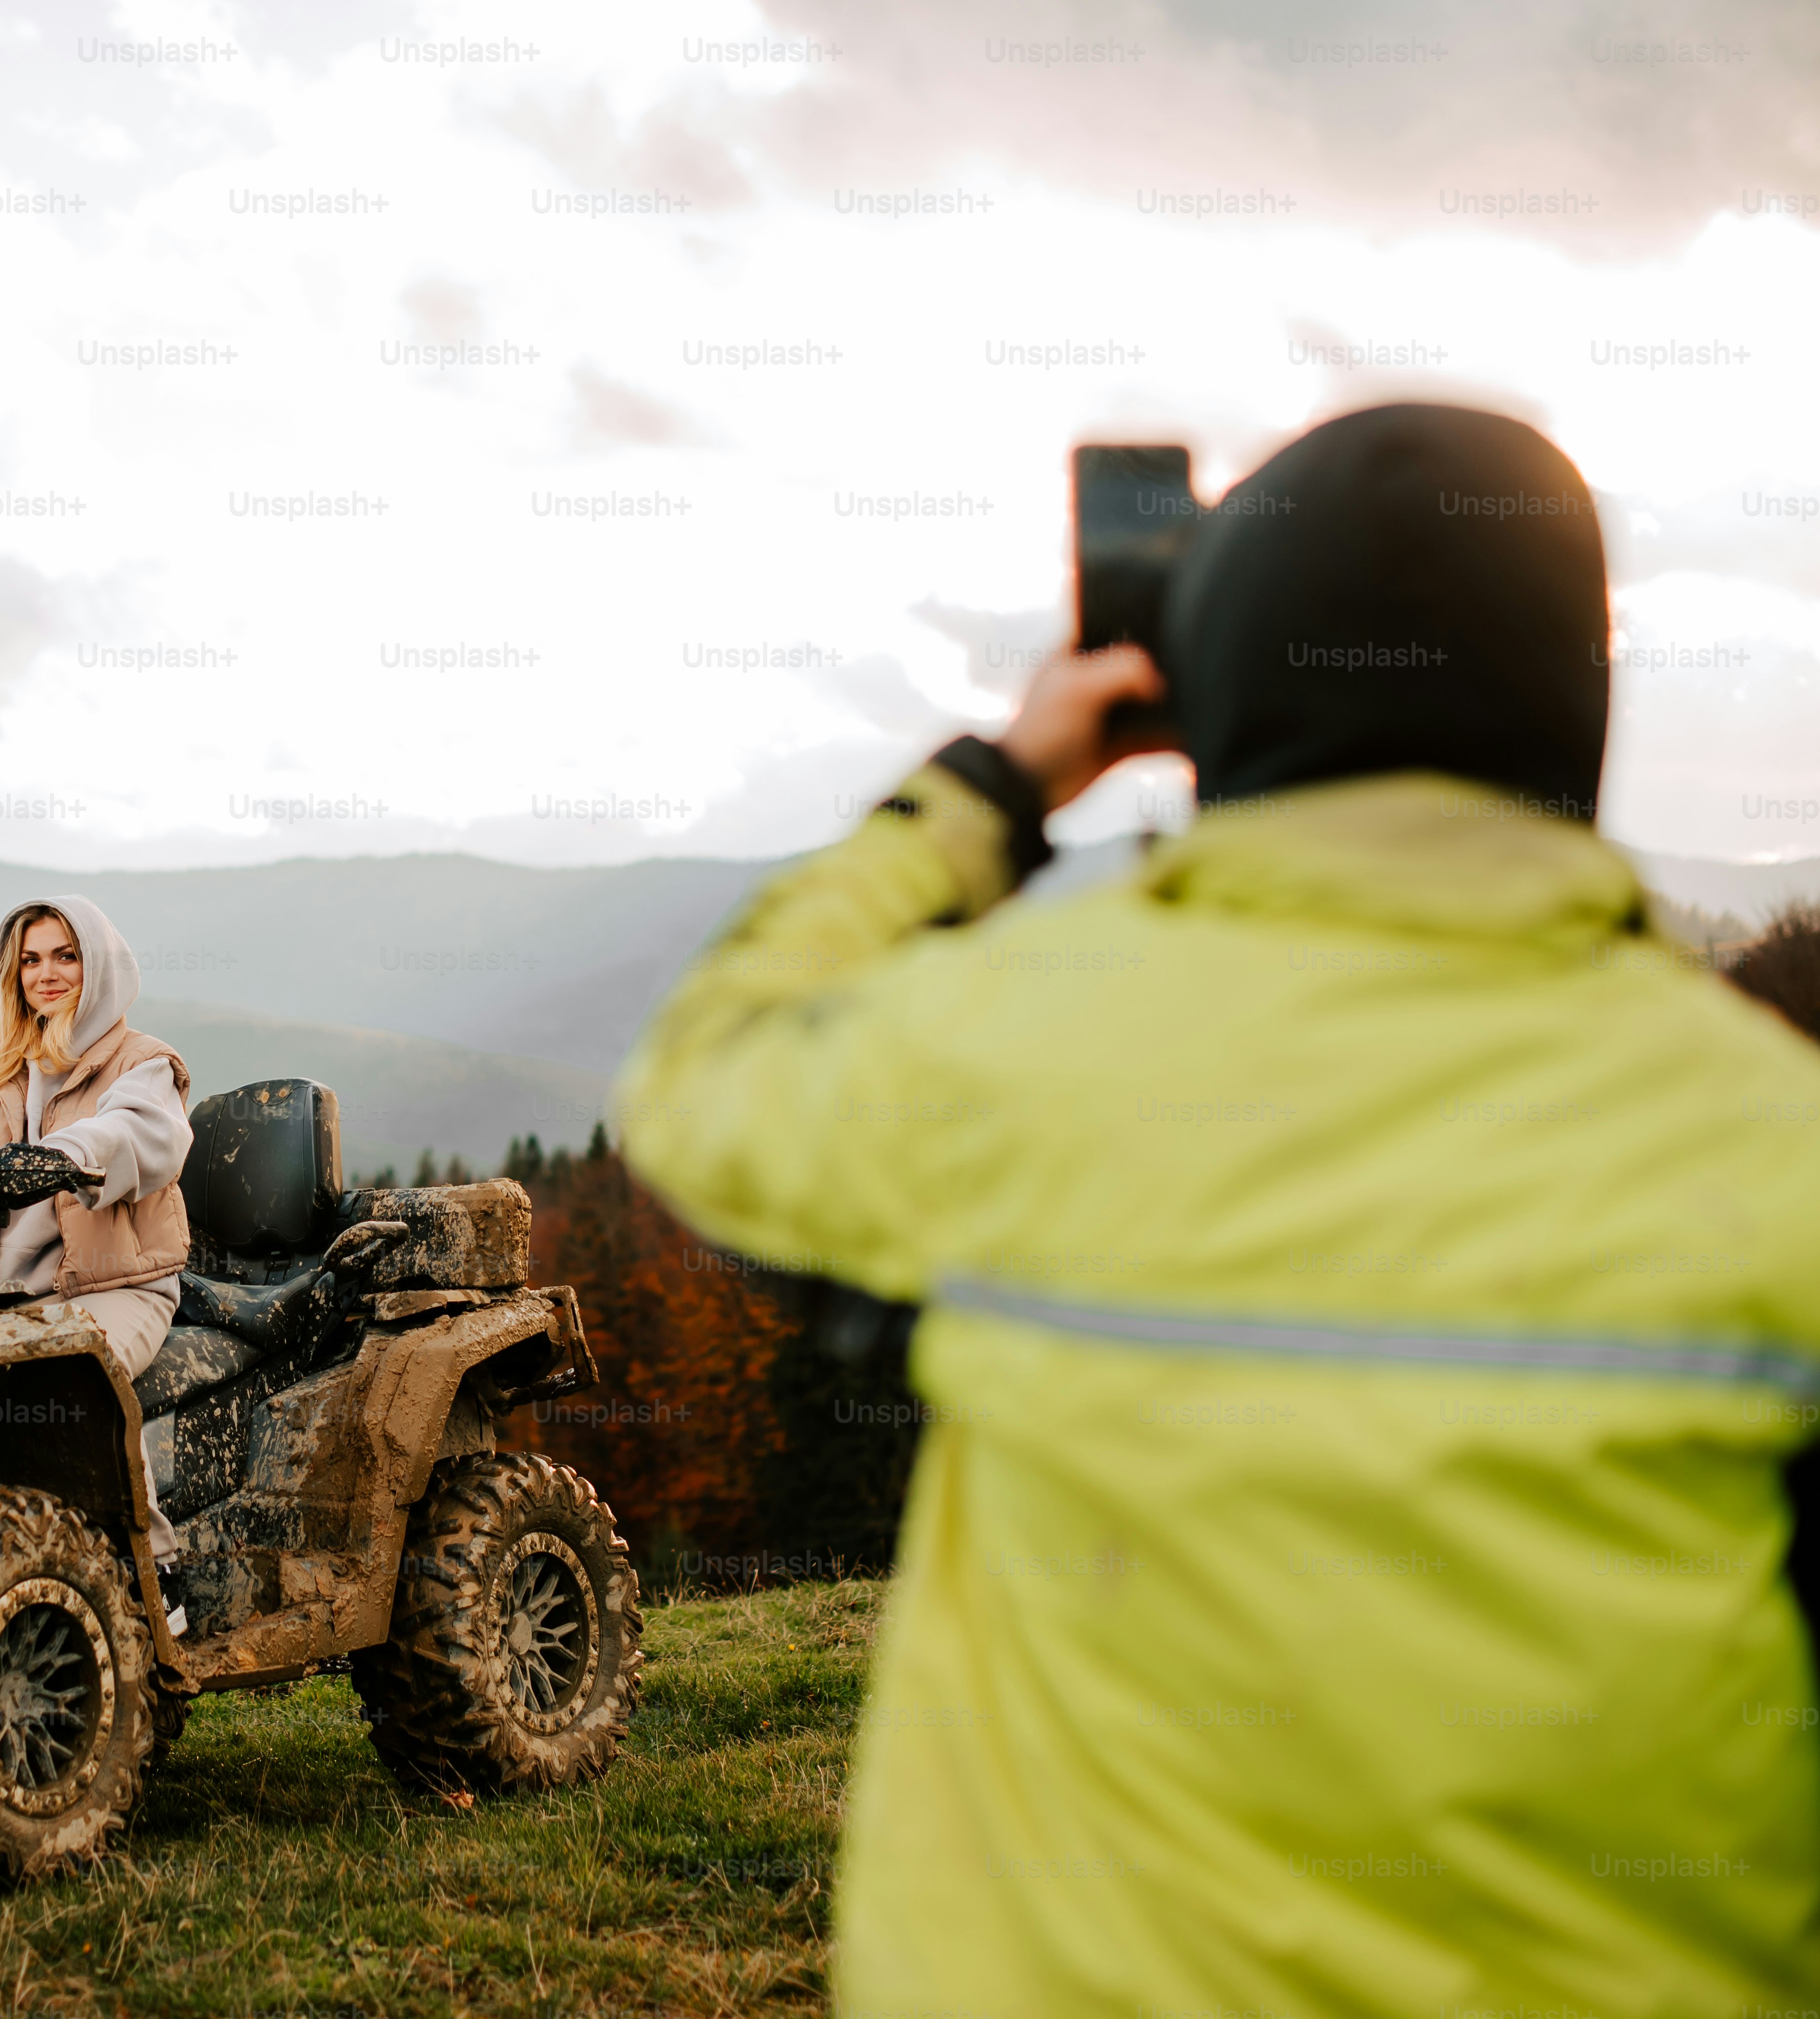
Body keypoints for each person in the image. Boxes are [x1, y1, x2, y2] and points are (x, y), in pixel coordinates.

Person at [615, 404, 1820, 2011]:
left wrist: (997, 779)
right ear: (1578, 701)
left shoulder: (1018, 1050)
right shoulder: (1770, 1135)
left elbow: (704, 1072)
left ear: (1214, 686)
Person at [0, 896, 194, 1571]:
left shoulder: (142, 1064)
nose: (45, 974)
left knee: (73, 1370)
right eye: (30, 960)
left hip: (117, 1287)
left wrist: (62, 1155)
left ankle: (155, 1571)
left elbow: (146, 1132)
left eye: (65, 956)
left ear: (99, 967)